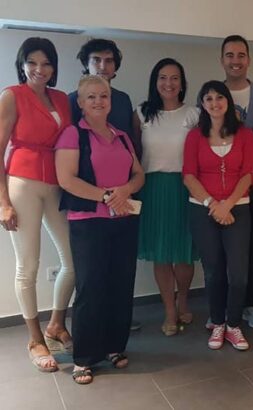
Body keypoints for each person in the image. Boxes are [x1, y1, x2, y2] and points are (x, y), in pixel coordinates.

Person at [55, 75, 144, 384]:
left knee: (121, 284)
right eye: (91, 97)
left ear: (110, 101)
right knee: (91, 287)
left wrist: (125, 190)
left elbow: (139, 174)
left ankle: (114, 346)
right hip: (88, 222)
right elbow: (67, 179)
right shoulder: (72, 134)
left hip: (124, 219)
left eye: (103, 96)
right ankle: (84, 357)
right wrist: (107, 196)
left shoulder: (122, 136)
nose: (98, 101)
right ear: (80, 103)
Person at [0, 37, 75, 372]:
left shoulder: (60, 98)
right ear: (22, 64)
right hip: (22, 182)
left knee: (73, 260)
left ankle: (56, 324)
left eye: (46, 63)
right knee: (27, 265)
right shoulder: (11, 95)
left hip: (56, 182)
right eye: (32, 62)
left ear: (54, 67)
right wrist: (3, 202)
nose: (39, 69)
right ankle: (34, 339)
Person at [69, 38, 142, 331]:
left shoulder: (123, 102)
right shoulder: (72, 105)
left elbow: (131, 151)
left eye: (108, 60)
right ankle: (78, 335)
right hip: (88, 204)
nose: (103, 65)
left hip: (123, 201)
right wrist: (104, 195)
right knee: (89, 279)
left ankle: (114, 338)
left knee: (119, 276)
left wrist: (126, 190)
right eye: (96, 60)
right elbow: (70, 165)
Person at [183, 80, 253, 351]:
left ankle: (234, 324)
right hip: (202, 209)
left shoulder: (245, 134)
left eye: (219, 97)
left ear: (228, 101)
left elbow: (248, 173)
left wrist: (228, 205)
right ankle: (217, 322)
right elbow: (189, 175)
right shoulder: (194, 136)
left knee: (238, 273)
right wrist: (213, 204)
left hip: (239, 208)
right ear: (202, 104)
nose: (215, 103)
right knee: (213, 272)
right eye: (208, 99)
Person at [133, 58, 199, 336]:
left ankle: (183, 299)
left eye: (174, 78)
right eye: (163, 77)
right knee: (161, 254)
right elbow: (133, 154)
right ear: (155, 81)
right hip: (153, 188)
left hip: (185, 186)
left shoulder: (194, 114)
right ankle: (169, 310)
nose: (168, 83)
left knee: (184, 253)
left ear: (182, 83)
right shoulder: (142, 113)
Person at [218, 34, 253, 329]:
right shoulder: (213, 93)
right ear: (221, 59)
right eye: (229, 55)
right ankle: (221, 307)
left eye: (241, 55)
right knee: (220, 253)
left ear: (249, 59)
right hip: (220, 190)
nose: (235, 61)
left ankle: (248, 305)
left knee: (250, 251)